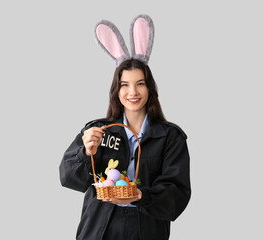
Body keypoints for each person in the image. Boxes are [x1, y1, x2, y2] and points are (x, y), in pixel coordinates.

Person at [59, 15, 191, 240]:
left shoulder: (170, 137)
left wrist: (140, 195)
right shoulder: (97, 131)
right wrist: (85, 153)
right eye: (125, 85)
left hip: (145, 230)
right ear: (116, 92)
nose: (133, 92)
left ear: (149, 89)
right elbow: (68, 178)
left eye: (140, 84)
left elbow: (176, 196)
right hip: (98, 231)